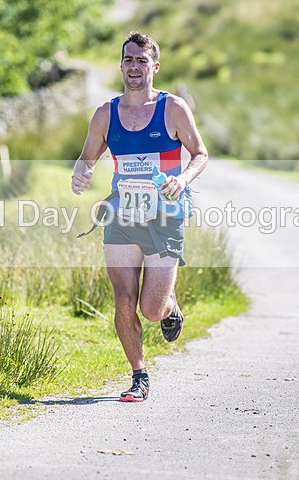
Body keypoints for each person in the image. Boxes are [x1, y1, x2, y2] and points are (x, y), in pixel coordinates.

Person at [71, 31, 208, 402]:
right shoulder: (106, 114)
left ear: (155, 67)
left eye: (141, 60)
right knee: (123, 299)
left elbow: (200, 153)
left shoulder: (173, 108)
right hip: (122, 214)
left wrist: (182, 178)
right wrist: (80, 173)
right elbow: (87, 158)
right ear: (121, 65)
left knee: (150, 309)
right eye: (128, 60)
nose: (134, 66)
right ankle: (139, 375)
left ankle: (168, 305)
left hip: (165, 216)